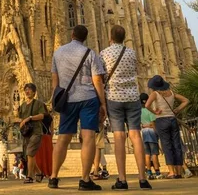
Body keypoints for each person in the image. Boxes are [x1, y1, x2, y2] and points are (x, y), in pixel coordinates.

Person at [50, 25, 106, 191]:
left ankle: (53, 177)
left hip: (67, 100)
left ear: (72, 34)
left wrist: (56, 97)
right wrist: (102, 103)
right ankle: (85, 179)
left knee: (63, 138)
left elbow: (55, 79)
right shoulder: (90, 53)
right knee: (88, 137)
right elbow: (97, 80)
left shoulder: (58, 52)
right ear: (85, 38)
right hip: (88, 98)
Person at [100, 25, 151, 190]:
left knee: (119, 136)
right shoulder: (131, 53)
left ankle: (122, 179)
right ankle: (143, 178)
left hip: (114, 98)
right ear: (124, 38)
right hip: (132, 97)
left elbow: (101, 76)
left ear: (111, 37)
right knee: (136, 135)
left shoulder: (104, 53)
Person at [145, 75, 189, 179]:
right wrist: (177, 109)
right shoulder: (172, 93)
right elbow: (186, 100)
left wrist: (155, 111)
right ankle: (179, 172)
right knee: (176, 145)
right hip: (173, 119)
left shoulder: (155, 94)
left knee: (167, 146)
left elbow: (147, 105)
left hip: (162, 120)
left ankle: (171, 172)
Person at [18, 82, 45, 184]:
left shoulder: (38, 104)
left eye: (29, 89)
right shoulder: (23, 106)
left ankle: (30, 176)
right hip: (27, 133)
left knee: (30, 153)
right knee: (30, 155)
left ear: (34, 92)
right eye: (26, 89)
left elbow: (42, 116)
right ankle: (39, 172)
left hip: (36, 131)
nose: (27, 91)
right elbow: (20, 118)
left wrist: (30, 118)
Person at [140, 93, 161, 179]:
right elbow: (153, 124)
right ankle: (157, 172)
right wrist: (157, 134)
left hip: (144, 132)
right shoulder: (150, 111)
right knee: (154, 153)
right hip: (151, 132)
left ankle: (149, 172)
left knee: (147, 154)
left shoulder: (139, 111)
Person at [34, 103, 53, 182]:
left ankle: (41, 172)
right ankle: (49, 172)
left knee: (40, 156)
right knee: (48, 155)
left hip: (40, 137)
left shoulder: (38, 117)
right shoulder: (50, 117)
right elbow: (52, 129)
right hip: (47, 137)